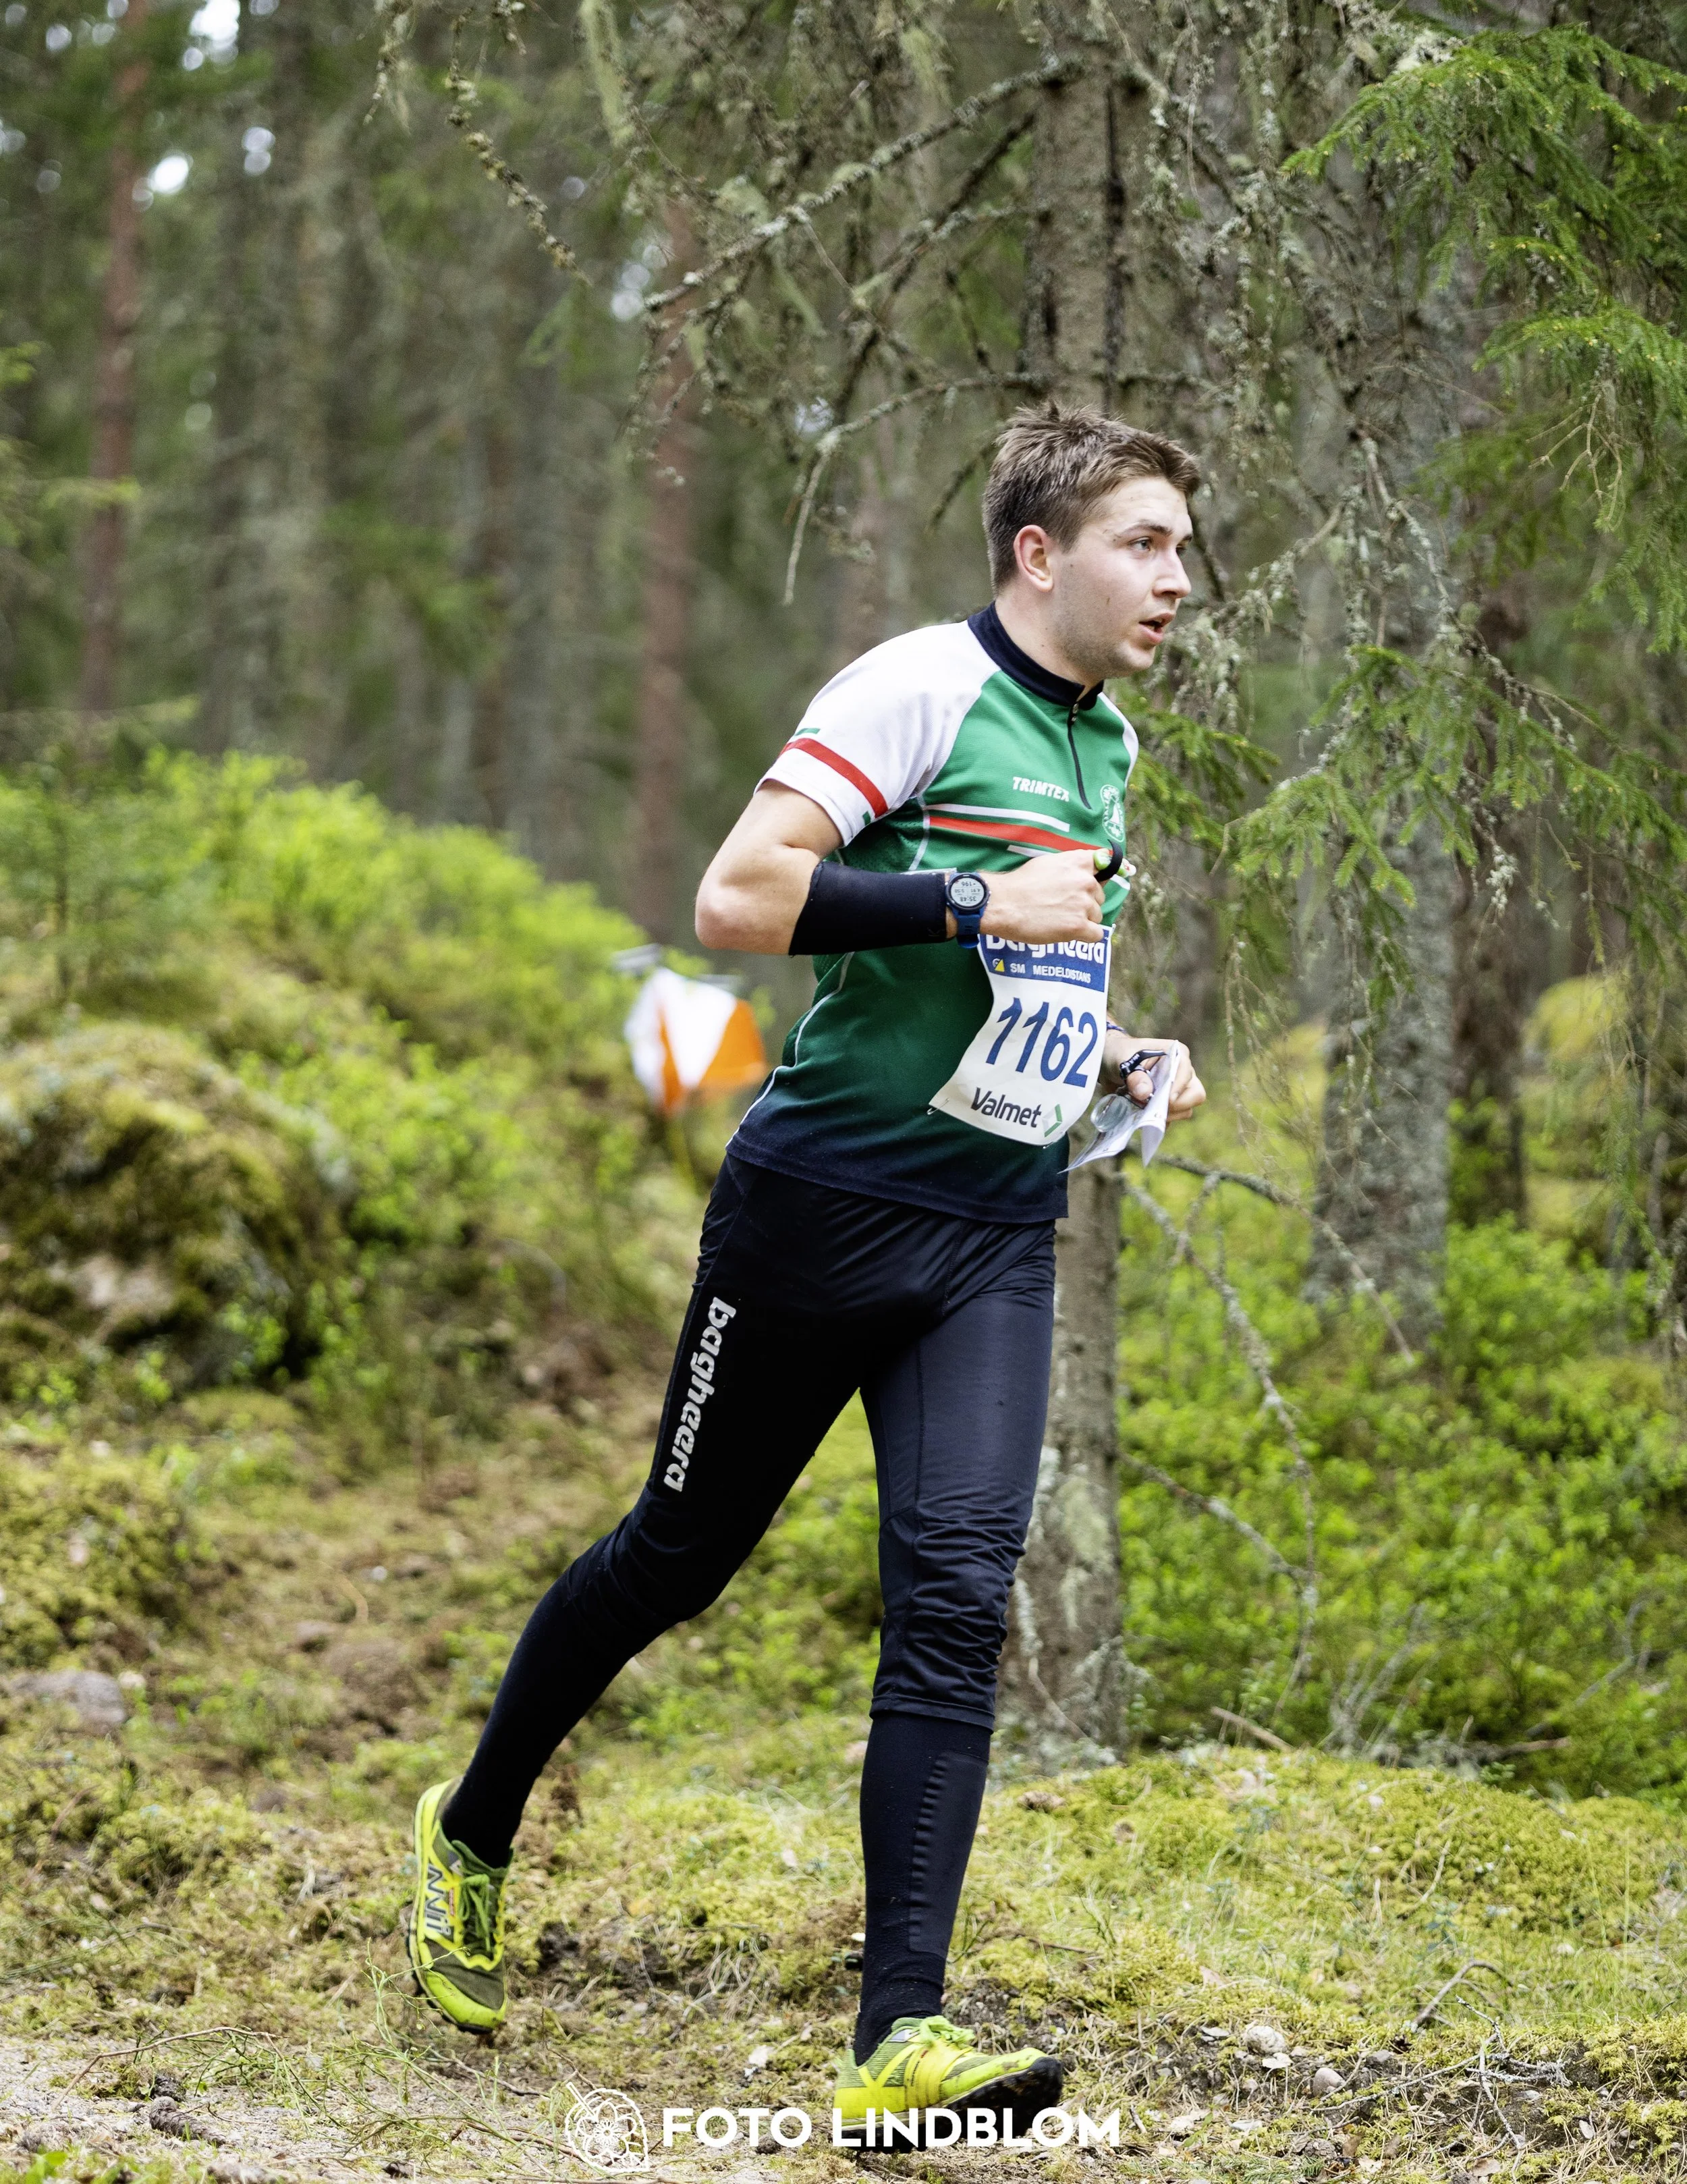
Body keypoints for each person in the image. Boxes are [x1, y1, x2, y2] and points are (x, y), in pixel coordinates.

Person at [404, 403, 1208, 2141]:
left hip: (991, 1231)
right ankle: (469, 1828)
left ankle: (893, 2046)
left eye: (1181, 547)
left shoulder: (1108, 748)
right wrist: (971, 908)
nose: (1176, 578)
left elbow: (1020, 986)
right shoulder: (917, 687)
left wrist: (1117, 1051)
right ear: (1036, 554)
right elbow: (738, 898)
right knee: (673, 1556)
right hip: (817, 1207)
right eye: (1144, 543)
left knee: (948, 1595)